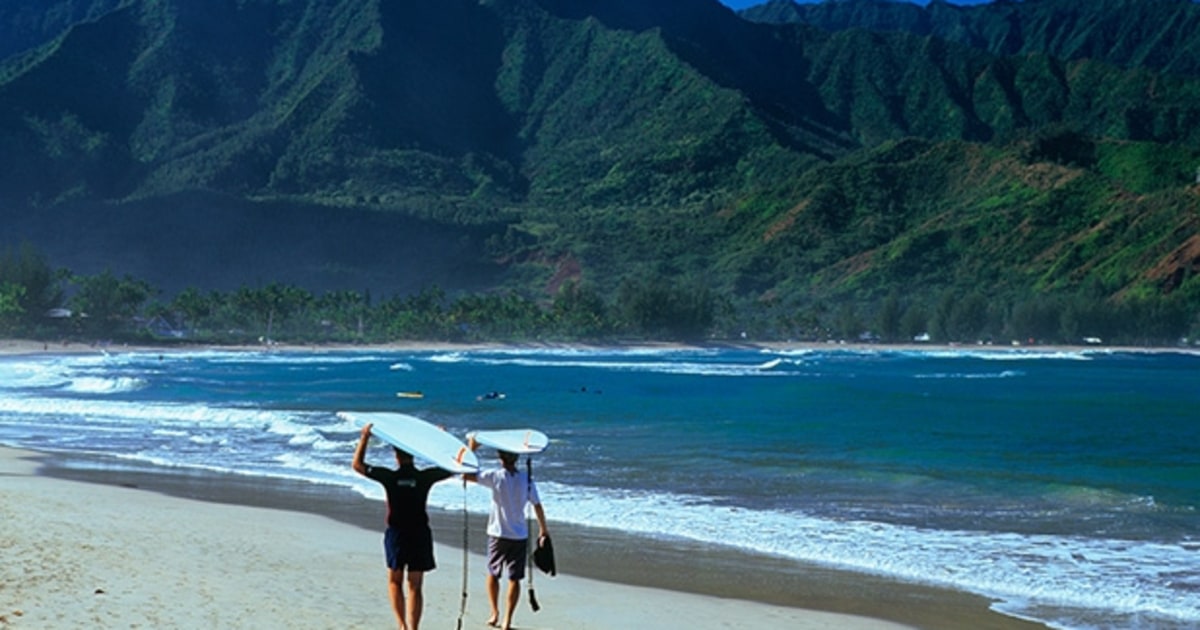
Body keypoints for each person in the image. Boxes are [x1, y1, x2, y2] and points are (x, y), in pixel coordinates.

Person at [352, 424, 452, 630]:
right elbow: (452, 467)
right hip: (419, 534)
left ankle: (402, 626)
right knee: (415, 585)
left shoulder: (390, 477)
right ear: (414, 456)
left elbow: (358, 465)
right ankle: (414, 629)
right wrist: (443, 440)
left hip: (397, 533)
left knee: (394, 582)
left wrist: (364, 437)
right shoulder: (424, 478)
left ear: (395, 455)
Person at [463, 436, 549, 630]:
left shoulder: (495, 476)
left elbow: (465, 475)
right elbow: (538, 506)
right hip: (519, 535)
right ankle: (507, 620)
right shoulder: (526, 480)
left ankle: (494, 613)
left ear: (500, 458)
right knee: (514, 578)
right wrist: (543, 530)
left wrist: (471, 449)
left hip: (497, 534)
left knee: (493, 574)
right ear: (516, 458)